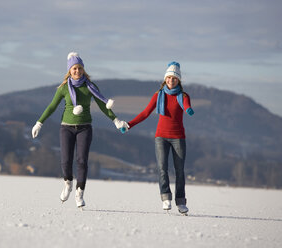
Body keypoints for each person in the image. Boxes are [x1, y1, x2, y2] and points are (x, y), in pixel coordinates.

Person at [32, 52, 128, 208]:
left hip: (85, 128)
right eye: (74, 68)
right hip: (66, 128)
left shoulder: (90, 86)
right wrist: (39, 123)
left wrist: (116, 120)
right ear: (70, 70)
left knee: (82, 161)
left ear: (83, 70)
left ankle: (79, 193)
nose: (77, 71)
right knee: (65, 161)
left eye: (80, 68)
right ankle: (68, 183)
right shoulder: (63, 88)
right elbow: (52, 106)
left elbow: (104, 105)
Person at [124, 61, 194, 214]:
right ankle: (166, 197)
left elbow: (187, 105)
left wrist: (188, 110)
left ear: (179, 80)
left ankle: (181, 202)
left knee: (180, 171)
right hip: (160, 137)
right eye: (169, 78)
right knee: (162, 168)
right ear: (165, 79)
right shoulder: (158, 95)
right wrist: (129, 124)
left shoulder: (183, 96)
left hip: (178, 137)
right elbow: (145, 113)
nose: (171, 80)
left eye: (174, 78)